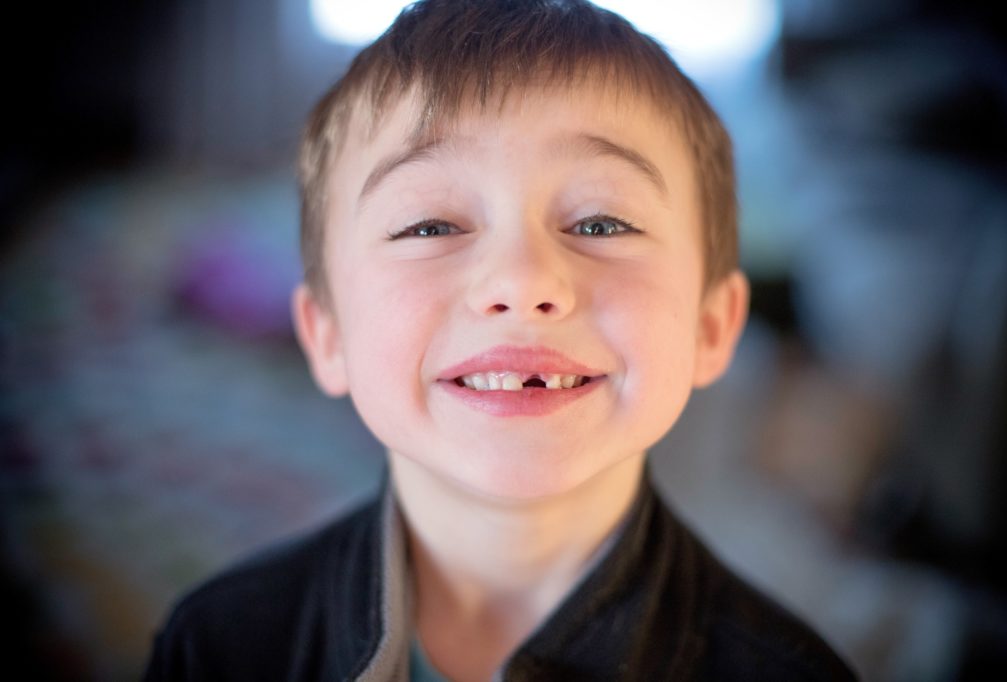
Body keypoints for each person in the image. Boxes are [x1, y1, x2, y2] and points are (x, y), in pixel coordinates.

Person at [144, 1, 856, 679]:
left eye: (602, 223)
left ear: (713, 326)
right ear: (325, 335)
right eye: (430, 226)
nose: (520, 281)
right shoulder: (219, 647)